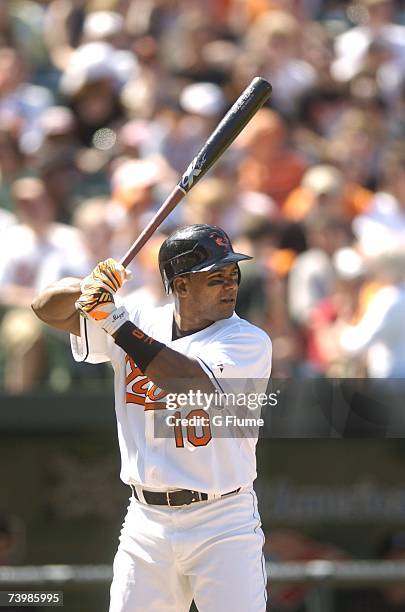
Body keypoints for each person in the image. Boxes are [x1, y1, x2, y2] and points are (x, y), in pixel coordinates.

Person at [31, 223, 272, 612]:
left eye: (233, 274)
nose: (230, 285)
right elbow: (45, 308)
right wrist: (86, 287)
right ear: (180, 286)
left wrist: (114, 321)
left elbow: (185, 382)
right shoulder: (139, 319)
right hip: (147, 522)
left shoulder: (246, 340)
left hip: (223, 521)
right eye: (216, 278)